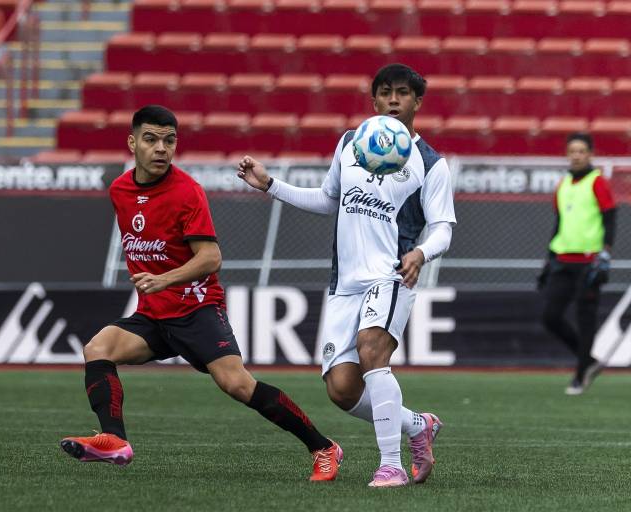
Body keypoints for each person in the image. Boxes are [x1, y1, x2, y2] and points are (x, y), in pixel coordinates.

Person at [60, 105, 342, 481]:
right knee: (98, 349)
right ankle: (115, 440)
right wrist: (157, 286)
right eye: (151, 139)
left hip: (196, 310)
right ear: (132, 143)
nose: (161, 148)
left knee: (237, 384)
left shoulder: (187, 192)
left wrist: (164, 279)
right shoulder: (120, 190)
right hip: (154, 314)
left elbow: (211, 258)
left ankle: (323, 447)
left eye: (169, 141)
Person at [237, 63, 456, 487]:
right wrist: (270, 185)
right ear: (373, 100)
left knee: (373, 351)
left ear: (418, 101)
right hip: (345, 283)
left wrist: (421, 253)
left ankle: (391, 465)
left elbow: (443, 228)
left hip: (391, 275)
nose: (393, 100)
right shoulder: (350, 144)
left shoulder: (431, 163)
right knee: (342, 389)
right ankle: (419, 425)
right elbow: (327, 199)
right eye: (385, 92)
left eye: (403, 93)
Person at [538, 132, 616, 396]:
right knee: (550, 317)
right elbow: (559, 223)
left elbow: (610, 218)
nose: (576, 156)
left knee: (585, 319)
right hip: (563, 260)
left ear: (590, 154)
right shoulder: (563, 184)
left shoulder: (598, 182)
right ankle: (590, 361)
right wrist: (549, 260)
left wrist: (605, 254)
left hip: (589, 261)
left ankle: (581, 373)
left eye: (581, 151)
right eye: (572, 151)